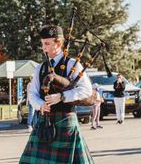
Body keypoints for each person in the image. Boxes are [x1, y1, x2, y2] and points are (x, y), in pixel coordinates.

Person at [20, 24, 94, 164]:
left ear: (58, 43)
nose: (44, 48)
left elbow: (86, 90)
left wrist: (62, 97)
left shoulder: (72, 64)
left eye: (47, 43)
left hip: (66, 122)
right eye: (42, 44)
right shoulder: (40, 68)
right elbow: (32, 93)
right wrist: (40, 105)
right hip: (44, 123)